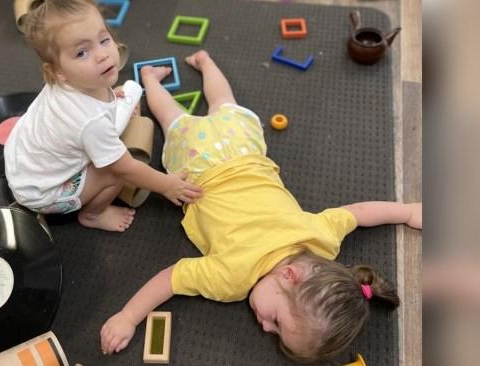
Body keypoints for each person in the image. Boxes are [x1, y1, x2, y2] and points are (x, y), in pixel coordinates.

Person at [100, 50, 423, 362]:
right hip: (195, 164)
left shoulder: (321, 240)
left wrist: (407, 211)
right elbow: (169, 279)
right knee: (171, 117)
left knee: (223, 103)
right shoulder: (232, 277)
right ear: (290, 275)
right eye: (277, 322)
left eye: (273, 331)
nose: (265, 326)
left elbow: (360, 213)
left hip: (243, 146)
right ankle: (149, 79)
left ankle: (203, 62)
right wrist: (129, 316)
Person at [3, 0, 202, 232]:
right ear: (57, 71)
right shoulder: (91, 123)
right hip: (44, 193)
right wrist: (167, 185)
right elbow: (125, 168)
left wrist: (109, 100)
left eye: (104, 39)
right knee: (116, 173)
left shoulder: (70, 82)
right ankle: (93, 215)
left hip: (23, 163)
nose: (102, 55)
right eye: (82, 52)